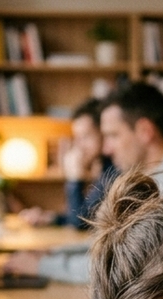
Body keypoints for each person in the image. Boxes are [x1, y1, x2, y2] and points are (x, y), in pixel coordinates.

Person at [4, 82, 163, 282]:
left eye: (112, 135)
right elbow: (115, 244)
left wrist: (42, 266)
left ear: (145, 131)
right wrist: (55, 253)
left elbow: (124, 266)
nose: (106, 148)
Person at [18, 98, 117, 229]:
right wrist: (51, 218)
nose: (79, 145)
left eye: (85, 136)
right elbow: (86, 215)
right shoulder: (103, 167)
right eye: (77, 138)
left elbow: (80, 223)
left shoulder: (114, 171)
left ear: (103, 133)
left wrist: (74, 178)